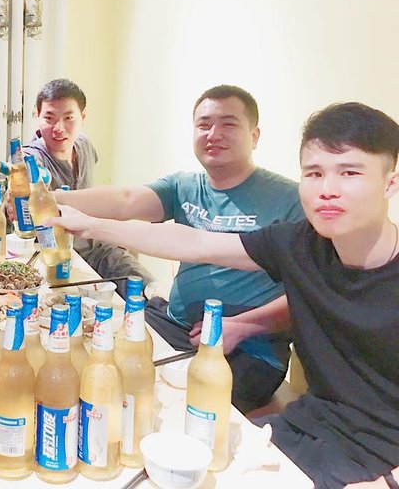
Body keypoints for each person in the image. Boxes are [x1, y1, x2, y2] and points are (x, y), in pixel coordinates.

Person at [50, 102, 399, 489]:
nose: (328, 190)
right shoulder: (300, 244)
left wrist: (386, 483)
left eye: (350, 172)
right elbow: (196, 243)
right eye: (314, 173)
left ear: (390, 182)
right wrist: (88, 224)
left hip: (383, 460)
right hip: (311, 428)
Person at [56, 85, 305, 413]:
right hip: (175, 324)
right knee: (92, 369)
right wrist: (52, 199)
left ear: (254, 136)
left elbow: (307, 294)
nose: (213, 134)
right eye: (204, 125)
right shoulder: (184, 185)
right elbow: (125, 200)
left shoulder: (292, 200)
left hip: (249, 348)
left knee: (176, 410)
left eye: (228, 124)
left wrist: (245, 325)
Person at [19, 78, 154, 287]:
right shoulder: (29, 159)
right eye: (49, 118)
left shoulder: (84, 145)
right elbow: (24, 192)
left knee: (148, 288)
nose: (59, 128)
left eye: (68, 118)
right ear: (38, 116)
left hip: (98, 247)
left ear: (82, 117)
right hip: (55, 255)